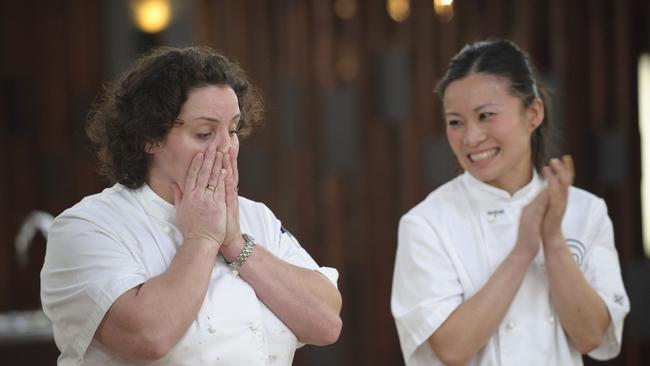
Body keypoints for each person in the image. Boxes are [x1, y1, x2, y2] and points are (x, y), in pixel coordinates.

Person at [40, 46, 342, 365]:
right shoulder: (88, 227)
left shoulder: (256, 217)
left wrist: (235, 242)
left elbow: (326, 323)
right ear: (150, 138)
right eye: (205, 133)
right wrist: (202, 239)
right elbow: (149, 336)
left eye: (233, 130)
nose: (226, 148)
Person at [390, 39, 629, 366]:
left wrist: (553, 239)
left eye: (486, 115)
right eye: (455, 121)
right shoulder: (426, 224)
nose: (471, 137)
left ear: (533, 113)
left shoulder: (586, 211)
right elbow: (452, 349)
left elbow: (590, 336)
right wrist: (522, 251)